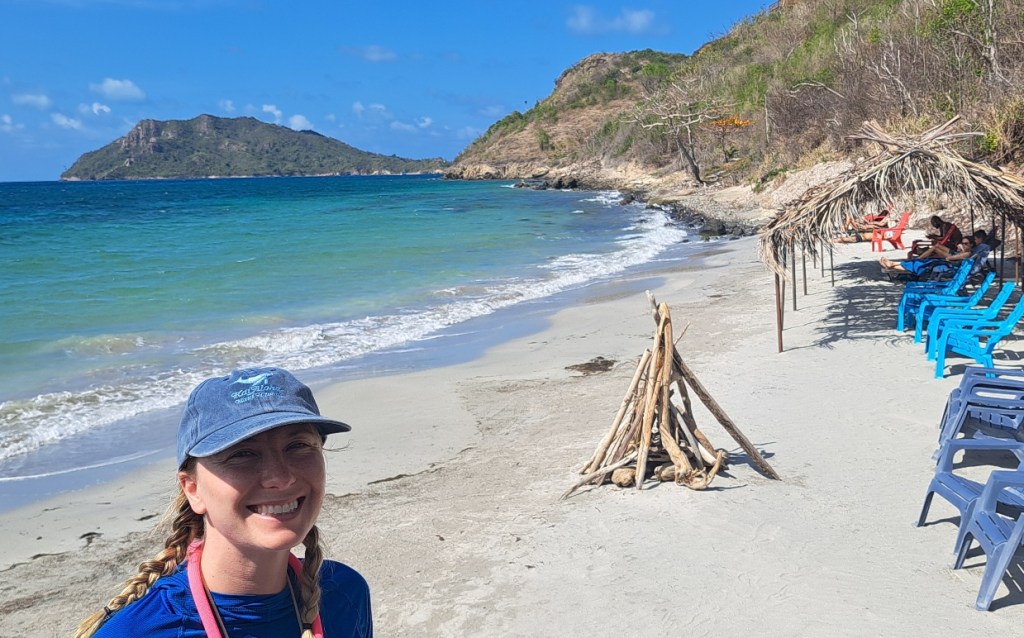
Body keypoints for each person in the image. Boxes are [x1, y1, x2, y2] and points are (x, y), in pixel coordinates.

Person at [75, 367, 373, 638]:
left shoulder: (343, 594)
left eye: (298, 446)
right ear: (193, 489)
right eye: (242, 454)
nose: (280, 478)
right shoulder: (136, 632)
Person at [880, 228, 989, 276]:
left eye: (965, 243)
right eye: (962, 243)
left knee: (920, 263)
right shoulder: (968, 252)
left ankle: (893, 264)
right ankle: (892, 264)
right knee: (920, 263)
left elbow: (949, 258)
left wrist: (959, 252)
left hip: (949, 265)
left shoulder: (967, 254)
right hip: (947, 264)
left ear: (971, 245)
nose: (963, 244)